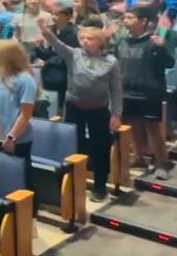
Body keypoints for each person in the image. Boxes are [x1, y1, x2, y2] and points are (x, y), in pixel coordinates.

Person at [39, 22, 121, 201]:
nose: (85, 41)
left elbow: (116, 90)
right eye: (82, 38)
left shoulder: (111, 62)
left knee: (100, 147)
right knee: (74, 145)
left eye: (90, 39)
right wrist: (45, 32)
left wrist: (116, 115)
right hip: (74, 107)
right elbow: (58, 45)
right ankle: (74, 181)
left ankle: (100, 185)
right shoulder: (74, 54)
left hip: (99, 109)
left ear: (100, 42)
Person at [118, 5, 174, 180]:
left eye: (129, 17)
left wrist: (163, 47)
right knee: (132, 127)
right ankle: (139, 157)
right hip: (126, 92)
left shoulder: (154, 42)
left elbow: (169, 63)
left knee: (152, 129)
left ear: (143, 21)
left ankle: (161, 163)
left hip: (149, 93)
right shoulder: (123, 41)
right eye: (124, 18)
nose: (125, 21)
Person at [0, 40, 36, 189]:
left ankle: (28, 210)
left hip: (16, 139)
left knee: (22, 181)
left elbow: (25, 114)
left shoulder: (26, 80)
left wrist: (11, 137)